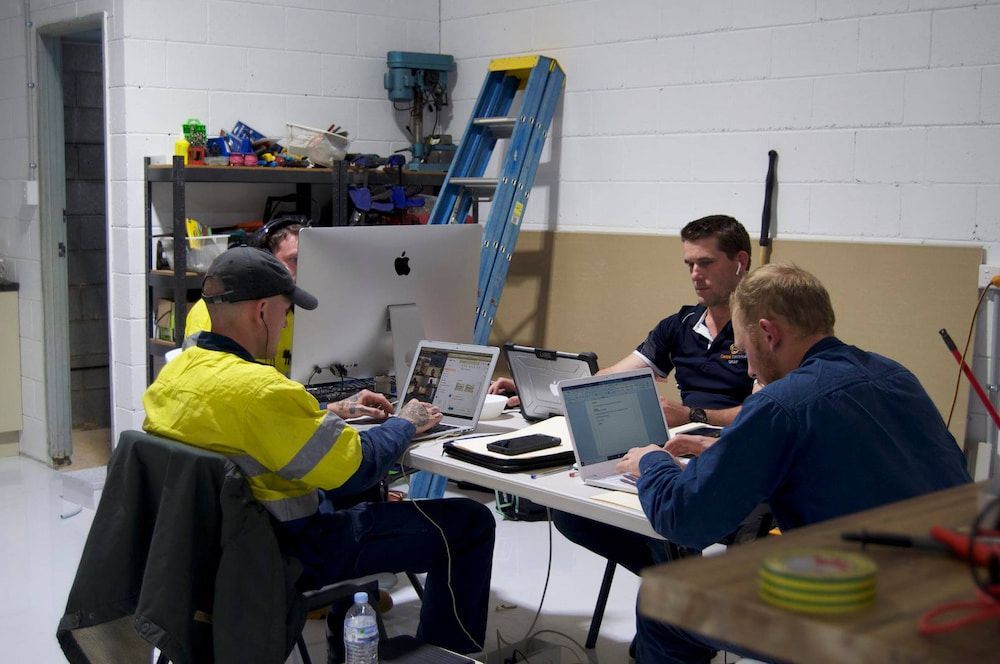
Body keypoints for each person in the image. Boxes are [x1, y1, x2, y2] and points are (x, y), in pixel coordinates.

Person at [144, 247, 495, 655]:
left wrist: (330, 411)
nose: (286, 320)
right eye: (286, 311)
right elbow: (358, 467)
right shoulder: (262, 390)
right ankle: (448, 656)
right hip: (286, 551)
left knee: (355, 499)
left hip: (207, 550)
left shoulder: (175, 375)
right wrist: (407, 422)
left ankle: (349, 641)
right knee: (469, 521)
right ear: (262, 311)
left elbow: (243, 431)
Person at [617, 264, 972, 663]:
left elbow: (684, 519)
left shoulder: (779, 404)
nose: (748, 367)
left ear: (768, 333)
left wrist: (651, 463)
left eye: (745, 349)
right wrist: (722, 448)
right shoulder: (893, 374)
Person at [492, 215, 758, 581]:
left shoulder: (763, 331)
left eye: (706, 263)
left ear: (740, 262)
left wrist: (694, 413)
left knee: (669, 513)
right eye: (690, 264)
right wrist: (534, 392)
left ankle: (677, 586)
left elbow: (763, 414)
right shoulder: (679, 326)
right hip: (674, 448)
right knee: (571, 510)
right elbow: (609, 378)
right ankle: (677, 580)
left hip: (730, 453)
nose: (695, 274)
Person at [184, 216, 305, 376]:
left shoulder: (298, 311)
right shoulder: (212, 311)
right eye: (295, 259)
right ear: (266, 260)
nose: (305, 267)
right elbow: (213, 382)